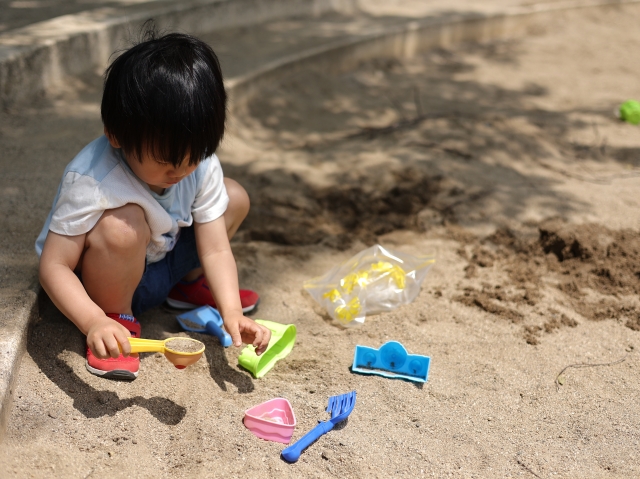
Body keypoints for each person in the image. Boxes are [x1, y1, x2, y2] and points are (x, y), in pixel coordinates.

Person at [35, 28, 271, 380]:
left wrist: (231, 311)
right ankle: (118, 321)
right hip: (105, 282)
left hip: (160, 259)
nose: (180, 171)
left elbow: (217, 250)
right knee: (122, 225)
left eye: (193, 156)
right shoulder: (93, 179)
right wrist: (93, 320)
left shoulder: (196, 163)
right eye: (166, 160)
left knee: (232, 195)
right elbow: (54, 266)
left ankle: (186, 288)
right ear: (115, 134)